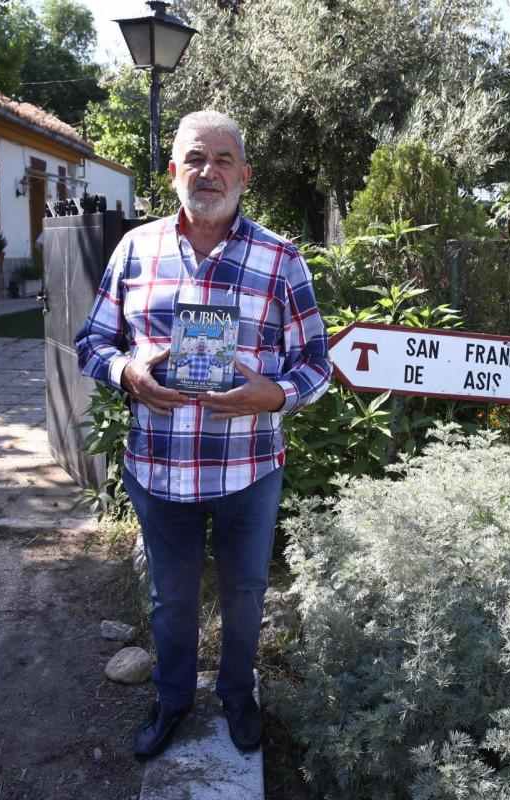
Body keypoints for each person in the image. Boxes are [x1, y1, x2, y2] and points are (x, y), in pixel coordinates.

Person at [75, 110, 330, 760]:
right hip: (159, 469)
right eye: (195, 158)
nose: (208, 172)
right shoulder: (136, 249)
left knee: (246, 594)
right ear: (173, 171)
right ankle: (173, 695)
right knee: (171, 597)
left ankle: (239, 694)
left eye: (222, 160)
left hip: (249, 469)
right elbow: (93, 343)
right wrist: (128, 373)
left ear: (245, 173)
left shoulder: (281, 258)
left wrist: (271, 394)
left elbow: (316, 364)